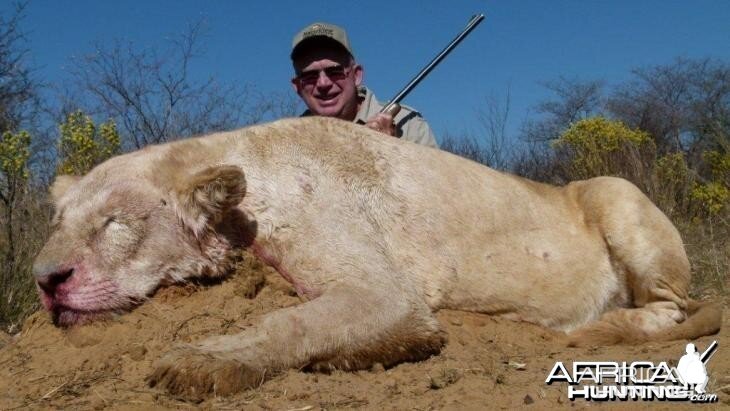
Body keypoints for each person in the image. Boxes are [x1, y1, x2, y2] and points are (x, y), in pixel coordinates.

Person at [290, 22, 438, 148]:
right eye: (309, 76)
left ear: (357, 75)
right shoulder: (289, 141)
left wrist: (391, 152)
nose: (323, 83)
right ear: (297, 86)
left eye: (335, 71)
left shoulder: (409, 126)